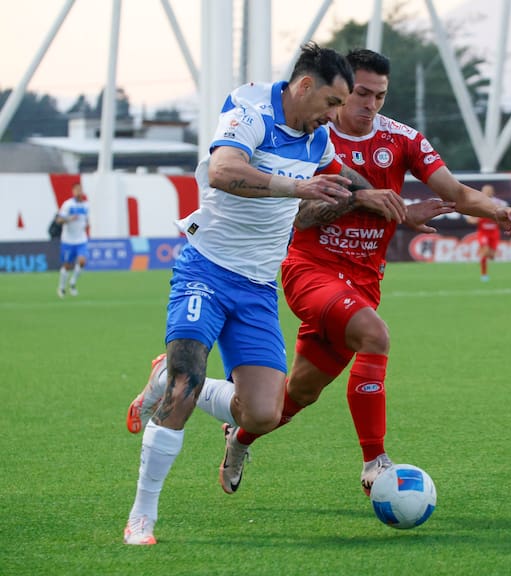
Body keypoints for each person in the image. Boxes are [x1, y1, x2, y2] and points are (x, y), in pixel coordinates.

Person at [126, 49, 511, 500]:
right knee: (375, 335)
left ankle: (240, 439)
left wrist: (497, 210)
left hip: (364, 281)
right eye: (359, 94)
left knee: (293, 396)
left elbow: (452, 190)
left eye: (379, 96)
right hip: (309, 270)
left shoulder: (402, 139)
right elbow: (301, 217)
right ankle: (376, 461)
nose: (368, 104)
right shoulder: (309, 130)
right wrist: (362, 200)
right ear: (334, 90)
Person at [123, 43, 368, 546]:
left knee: (262, 413)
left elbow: (343, 180)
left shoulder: (317, 141)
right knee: (185, 389)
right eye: (331, 102)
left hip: (257, 286)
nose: (334, 115)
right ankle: (141, 517)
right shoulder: (251, 113)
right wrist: (297, 189)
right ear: (304, 87)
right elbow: (224, 171)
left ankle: (162, 375)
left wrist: (387, 201)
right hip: (205, 271)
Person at [466, 184, 507, 281]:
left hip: (494, 233)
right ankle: (484, 275)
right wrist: (475, 220)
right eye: (485, 190)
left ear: (493, 192)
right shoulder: (478, 203)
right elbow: (470, 219)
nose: (487, 192)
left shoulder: (499, 203)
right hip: (483, 233)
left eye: (489, 190)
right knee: (485, 251)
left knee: (492, 256)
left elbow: (504, 218)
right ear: (482, 192)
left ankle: (482, 257)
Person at [55, 182, 89, 297]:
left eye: (81, 190)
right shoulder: (68, 205)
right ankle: (62, 287)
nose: (79, 192)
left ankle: (73, 283)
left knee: (82, 261)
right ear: (73, 191)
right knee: (67, 265)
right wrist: (69, 219)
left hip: (81, 240)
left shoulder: (86, 206)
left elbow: (86, 221)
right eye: (77, 190)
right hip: (68, 240)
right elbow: (59, 220)